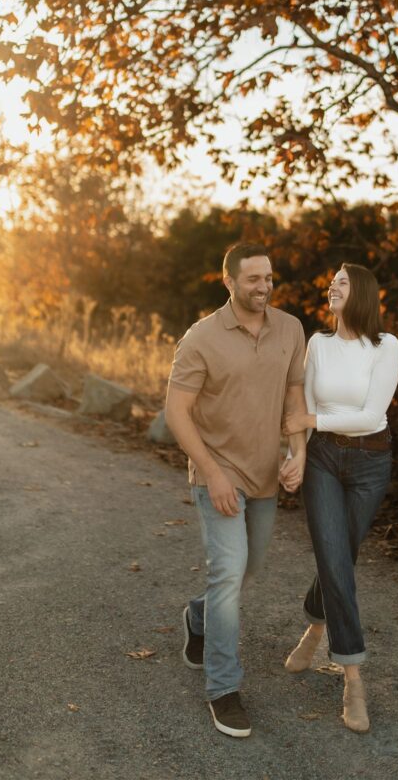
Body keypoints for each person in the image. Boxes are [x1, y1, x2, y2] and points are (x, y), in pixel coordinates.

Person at [165, 243, 307, 739]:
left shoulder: (290, 329)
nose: (264, 287)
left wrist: (299, 452)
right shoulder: (200, 338)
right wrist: (212, 471)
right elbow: (176, 413)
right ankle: (223, 689)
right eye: (253, 279)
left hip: (266, 472)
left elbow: (294, 396)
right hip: (217, 473)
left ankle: (198, 617)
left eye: (268, 278)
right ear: (228, 282)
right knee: (228, 573)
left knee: (249, 568)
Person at [282, 263, 398, 733]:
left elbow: (372, 414)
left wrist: (311, 426)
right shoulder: (318, 344)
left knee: (341, 556)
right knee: (333, 556)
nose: (332, 286)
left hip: (372, 462)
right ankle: (352, 676)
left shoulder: (385, 346)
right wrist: (296, 455)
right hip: (324, 462)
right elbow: (304, 406)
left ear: (362, 293)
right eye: (330, 281)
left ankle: (314, 626)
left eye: (342, 282)